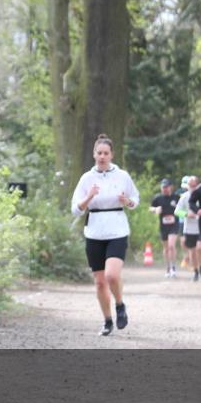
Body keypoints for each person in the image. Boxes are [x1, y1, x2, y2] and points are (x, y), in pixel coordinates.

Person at [71, 134, 140, 336]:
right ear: (94, 154)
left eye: (106, 153)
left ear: (111, 155)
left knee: (112, 275)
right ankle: (107, 320)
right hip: (94, 231)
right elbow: (75, 209)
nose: (102, 156)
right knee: (100, 281)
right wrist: (89, 197)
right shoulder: (86, 178)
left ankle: (119, 304)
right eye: (99, 153)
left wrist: (127, 201)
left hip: (117, 229)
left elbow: (135, 200)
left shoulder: (122, 176)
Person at [175, 175, 201, 281]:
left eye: (194, 185)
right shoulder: (184, 197)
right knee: (192, 251)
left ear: (197, 186)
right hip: (189, 228)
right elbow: (177, 211)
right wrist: (187, 214)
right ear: (187, 186)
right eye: (190, 185)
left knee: (199, 248)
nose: (192, 187)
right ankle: (196, 271)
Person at [150, 178, 180, 277]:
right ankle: (168, 267)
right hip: (163, 225)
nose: (165, 189)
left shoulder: (176, 197)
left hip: (174, 224)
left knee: (171, 246)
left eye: (166, 187)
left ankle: (173, 267)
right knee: (166, 248)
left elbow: (182, 208)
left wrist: (182, 214)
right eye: (163, 187)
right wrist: (155, 209)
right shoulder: (158, 198)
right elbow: (150, 208)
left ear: (171, 187)